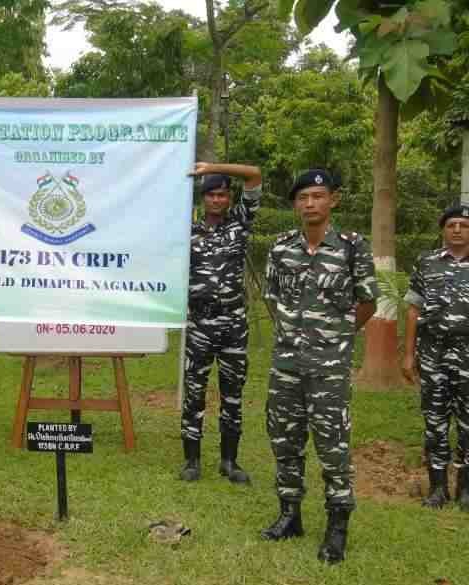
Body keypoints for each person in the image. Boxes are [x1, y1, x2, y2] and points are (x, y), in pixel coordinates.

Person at [260, 169, 379, 564]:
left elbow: (367, 301)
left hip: (329, 366)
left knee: (333, 445)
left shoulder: (351, 247)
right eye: (303, 198)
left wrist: (338, 336)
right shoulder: (281, 247)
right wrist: (292, 332)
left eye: (317, 196)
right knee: (284, 439)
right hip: (286, 363)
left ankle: (337, 526)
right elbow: (271, 296)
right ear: (295, 205)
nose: (310, 204)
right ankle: (289, 514)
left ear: (333, 200)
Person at [179, 162, 262, 485]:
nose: (217, 200)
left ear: (229, 198)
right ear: (203, 199)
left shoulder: (240, 223)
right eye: (211, 194)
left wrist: (211, 167)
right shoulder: (186, 229)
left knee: (232, 394)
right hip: (199, 321)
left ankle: (229, 460)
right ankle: (192, 461)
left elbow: (254, 175)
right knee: (194, 393)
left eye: (222, 194)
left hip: (233, 323)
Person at [403, 203, 469, 512]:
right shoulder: (426, 262)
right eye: (452, 224)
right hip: (433, 356)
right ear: (443, 230)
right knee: (435, 422)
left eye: (464, 225)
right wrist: (408, 354)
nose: (457, 229)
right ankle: (438, 487)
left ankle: (465, 488)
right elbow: (414, 309)